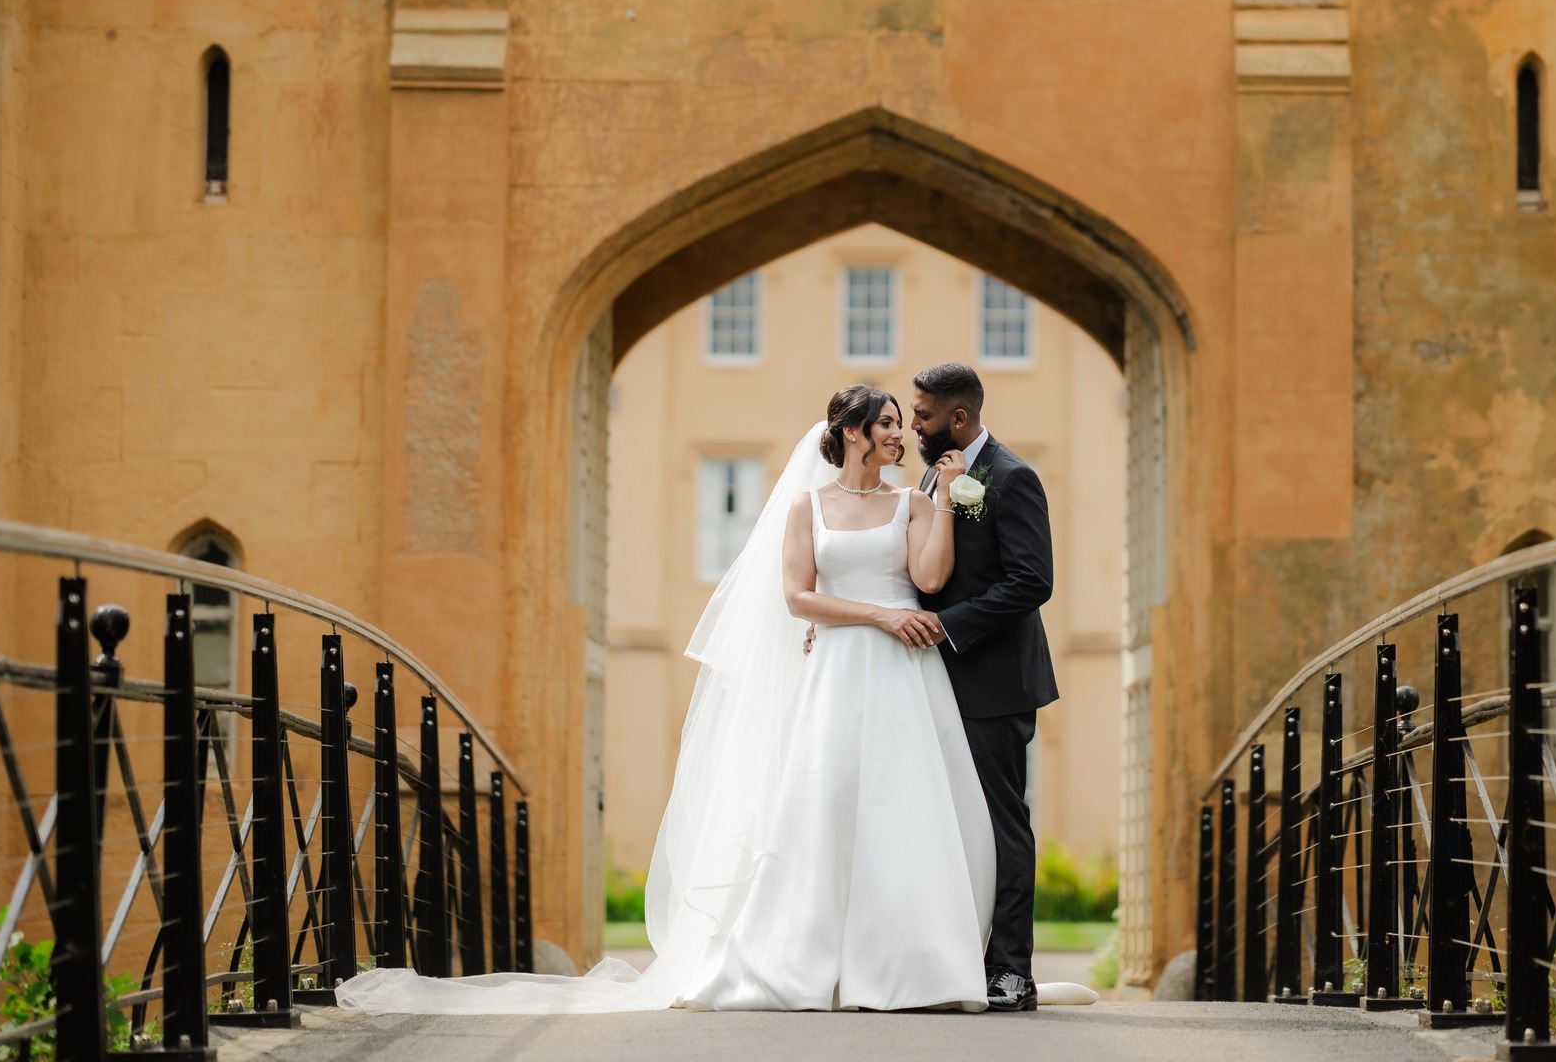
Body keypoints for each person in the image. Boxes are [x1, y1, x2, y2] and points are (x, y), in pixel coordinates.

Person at [335, 383, 1092, 1015]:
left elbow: (928, 581)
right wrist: (874, 615)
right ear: (853, 433)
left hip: (904, 673)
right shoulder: (805, 507)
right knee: (822, 803)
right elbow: (798, 597)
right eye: (890, 423)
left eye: (907, 420)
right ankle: (806, 960)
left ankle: (913, 964)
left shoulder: (920, 500)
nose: (903, 433)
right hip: (839, 666)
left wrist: (947, 501)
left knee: (908, 808)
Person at [907, 362, 1060, 1012]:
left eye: (923, 415)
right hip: (934, 681)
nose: (914, 425)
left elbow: (1032, 581)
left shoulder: (1013, 476)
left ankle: (1011, 973)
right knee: (944, 824)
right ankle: (952, 959)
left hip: (995, 684)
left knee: (1002, 825)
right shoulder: (933, 477)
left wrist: (948, 627)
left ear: (959, 416)